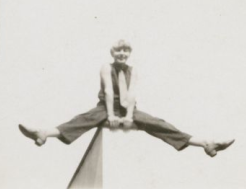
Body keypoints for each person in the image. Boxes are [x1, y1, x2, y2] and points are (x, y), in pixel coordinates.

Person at [19, 40, 234, 157]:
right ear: (113, 53)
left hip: (128, 109)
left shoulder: (133, 70)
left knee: (159, 124)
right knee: (84, 119)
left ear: (128, 53)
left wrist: (130, 116)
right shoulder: (106, 67)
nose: (122, 54)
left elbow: (131, 94)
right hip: (107, 106)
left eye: (125, 51)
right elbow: (110, 92)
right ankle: (43, 132)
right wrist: (112, 115)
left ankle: (207, 143)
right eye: (118, 51)